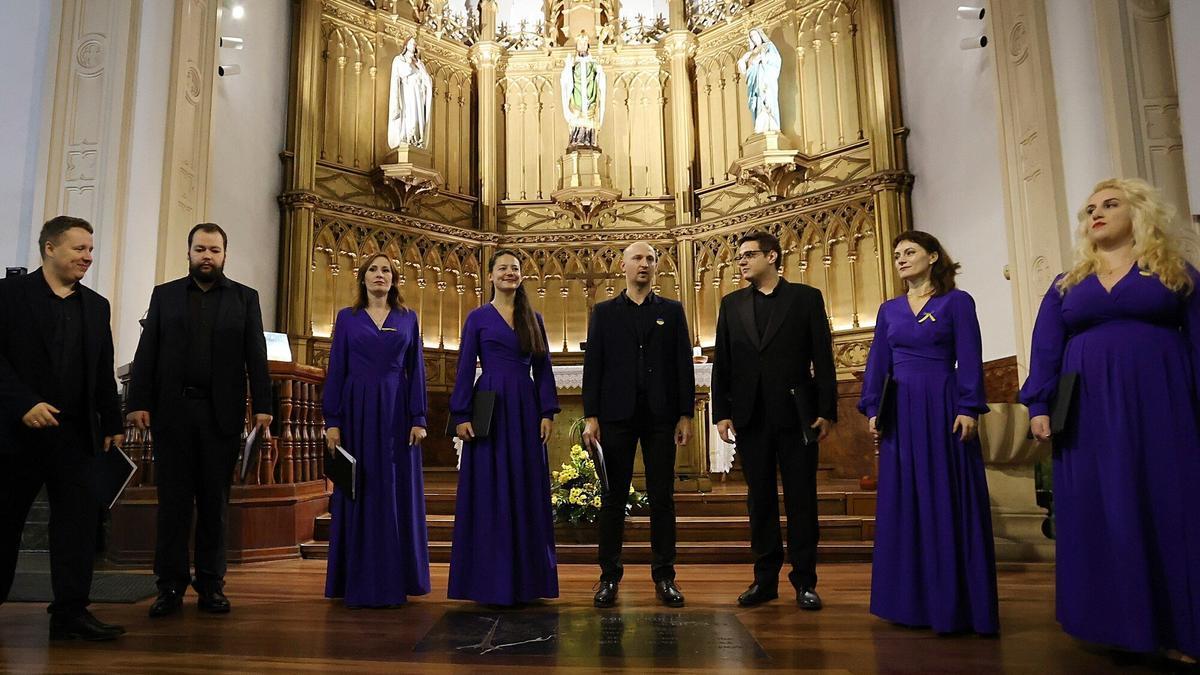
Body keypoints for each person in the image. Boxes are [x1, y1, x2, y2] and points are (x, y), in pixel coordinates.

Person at [1021, 178, 1200, 662]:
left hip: (1162, 404)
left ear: (1138, 212)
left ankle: (1178, 629)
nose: (1096, 213)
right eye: (1090, 208)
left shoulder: (1174, 271)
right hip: (1088, 414)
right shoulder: (1069, 283)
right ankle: (1114, 625)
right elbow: (1046, 350)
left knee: (1169, 502)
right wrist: (1039, 406)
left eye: (1110, 204)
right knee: (1100, 505)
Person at [127, 223, 272, 618]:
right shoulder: (166, 295)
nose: (207, 256)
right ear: (188, 252)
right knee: (173, 506)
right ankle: (169, 587)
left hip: (219, 416)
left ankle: (211, 585)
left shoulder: (245, 298)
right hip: (172, 415)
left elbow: (256, 355)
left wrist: (264, 404)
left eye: (214, 249)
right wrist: (136, 401)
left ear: (225, 254)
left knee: (214, 505)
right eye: (200, 249)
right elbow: (147, 352)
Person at [858, 231, 999, 635]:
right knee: (905, 500)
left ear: (934, 256)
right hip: (900, 412)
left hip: (942, 405)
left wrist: (969, 406)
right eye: (897, 253)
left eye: (910, 252)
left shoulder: (957, 302)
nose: (901, 258)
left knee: (946, 497)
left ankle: (955, 604)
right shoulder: (889, 310)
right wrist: (873, 407)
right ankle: (908, 603)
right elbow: (877, 363)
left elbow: (970, 356)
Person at [0, 216, 125, 641]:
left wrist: (112, 421)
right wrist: (23, 404)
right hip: (16, 436)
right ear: (50, 248)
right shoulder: (8, 294)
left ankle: (70, 613)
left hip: (76, 436)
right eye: (79, 249)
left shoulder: (96, 305)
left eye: (91, 249)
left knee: (76, 528)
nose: (88, 257)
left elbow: (102, 372)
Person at [712, 230, 836, 610]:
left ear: (773, 257)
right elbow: (724, 363)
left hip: (797, 414)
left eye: (749, 255)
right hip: (751, 416)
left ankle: (805, 582)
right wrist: (721, 412)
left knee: (802, 500)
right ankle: (764, 580)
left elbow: (823, 359)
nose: (742, 262)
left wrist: (827, 410)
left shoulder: (805, 298)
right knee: (760, 502)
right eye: (740, 257)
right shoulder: (731, 304)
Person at [582, 242, 694, 608]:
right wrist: (591, 416)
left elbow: (683, 365)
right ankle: (609, 577)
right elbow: (593, 367)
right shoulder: (604, 312)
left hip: (661, 416)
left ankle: (665, 577)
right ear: (623, 266)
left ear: (656, 267)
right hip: (616, 416)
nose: (644, 264)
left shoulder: (673, 311)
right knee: (614, 499)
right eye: (637, 259)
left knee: (663, 498)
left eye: (650, 259)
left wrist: (685, 414)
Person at [448, 249, 559, 606]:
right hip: (490, 407)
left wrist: (547, 412)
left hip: (525, 406)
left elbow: (542, 368)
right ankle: (488, 581)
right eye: (503, 268)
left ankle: (527, 580)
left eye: (515, 268)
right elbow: (465, 367)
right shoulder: (478, 317)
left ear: (521, 276)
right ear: (491, 276)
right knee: (490, 490)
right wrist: (461, 414)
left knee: (524, 488)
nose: (510, 273)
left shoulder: (534, 317)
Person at [322, 253, 430, 607]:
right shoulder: (347, 318)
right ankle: (356, 578)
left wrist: (419, 417)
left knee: (394, 491)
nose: (380, 275)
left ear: (394, 279)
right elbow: (336, 369)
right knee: (358, 490)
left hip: (397, 412)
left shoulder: (407, 318)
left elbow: (416, 372)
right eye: (373, 270)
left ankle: (396, 577)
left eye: (386, 270)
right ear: (363, 278)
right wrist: (333, 422)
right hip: (356, 412)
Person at [560, 32, 607, 149]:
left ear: (588, 45)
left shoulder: (593, 63)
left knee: (590, 119)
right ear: (576, 46)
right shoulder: (573, 62)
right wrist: (568, 67)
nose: (582, 46)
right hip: (577, 98)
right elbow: (565, 80)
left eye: (584, 43)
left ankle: (589, 141)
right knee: (577, 118)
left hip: (590, 97)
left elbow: (600, 77)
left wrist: (600, 70)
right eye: (580, 43)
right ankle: (576, 140)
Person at [387, 37, 433, 149]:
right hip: (408, 92)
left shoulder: (419, 63)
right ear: (406, 45)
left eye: (415, 44)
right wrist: (409, 63)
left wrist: (420, 69)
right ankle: (407, 137)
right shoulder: (400, 59)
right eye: (412, 43)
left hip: (418, 93)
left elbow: (427, 80)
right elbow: (401, 73)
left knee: (417, 118)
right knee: (409, 115)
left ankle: (417, 139)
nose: (414, 45)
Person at [737, 27, 782, 134]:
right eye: (751, 36)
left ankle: (771, 125)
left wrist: (762, 58)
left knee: (768, 99)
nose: (754, 38)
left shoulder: (768, 46)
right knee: (756, 102)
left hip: (766, 77)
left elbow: (776, 60)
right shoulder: (750, 53)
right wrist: (743, 62)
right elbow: (743, 68)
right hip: (755, 80)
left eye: (755, 35)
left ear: (760, 35)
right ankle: (760, 125)